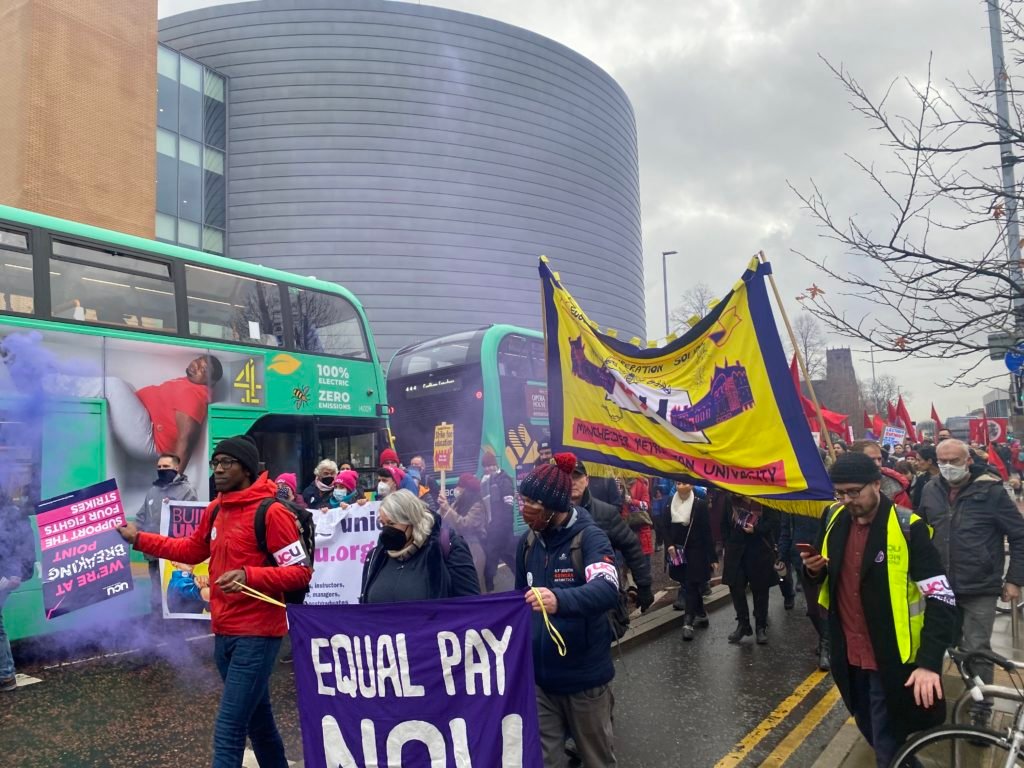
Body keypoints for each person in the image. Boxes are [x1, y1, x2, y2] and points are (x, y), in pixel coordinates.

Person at [117, 435, 312, 768]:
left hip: (258, 635)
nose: (218, 469)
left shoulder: (272, 513)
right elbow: (191, 550)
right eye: (215, 463)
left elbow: (300, 573)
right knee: (258, 721)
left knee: (229, 728)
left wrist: (248, 575)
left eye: (227, 463)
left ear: (246, 469)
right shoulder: (217, 509)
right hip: (223, 631)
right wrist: (139, 539)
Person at [804, 452, 958, 767]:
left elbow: (942, 597)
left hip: (889, 659)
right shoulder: (832, 517)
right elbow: (825, 574)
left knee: (887, 748)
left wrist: (929, 664)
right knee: (873, 732)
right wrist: (813, 570)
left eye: (854, 492)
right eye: (840, 493)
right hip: (848, 655)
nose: (847, 500)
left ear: (876, 484)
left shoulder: (908, 527)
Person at [515, 453, 620, 768]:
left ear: (553, 506)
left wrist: (559, 600)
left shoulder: (591, 538)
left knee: (597, 760)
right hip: (541, 683)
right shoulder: (527, 543)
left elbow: (607, 589)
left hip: (584, 681)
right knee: (544, 761)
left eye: (532, 502)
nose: (525, 508)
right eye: (524, 500)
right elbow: (518, 602)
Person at [916, 438, 1024, 727]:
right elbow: (921, 530)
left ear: (968, 461)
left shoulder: (991, 491)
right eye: (943, 461)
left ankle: (981, 707)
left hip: (980, 586)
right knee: (944, 645)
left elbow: (1019, 535)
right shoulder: (930, 489)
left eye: (954, 461)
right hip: (941, 588)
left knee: (977, 649)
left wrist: (1014, 579)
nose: (948, 466)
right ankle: (943, 699)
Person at [38, 353, 223, 470]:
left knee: (114, 385)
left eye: (203, 369)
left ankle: (50, 384)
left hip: (148, 438)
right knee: (125, 386)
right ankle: (61, 384)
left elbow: (186, 441)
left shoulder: (193, 396)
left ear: (211, 382)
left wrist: (174, 480)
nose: (196, 365)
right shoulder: (191, 384)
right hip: (146, 423)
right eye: (198, 361)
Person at [359, 489, 480, 603]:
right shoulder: (377, 556)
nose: (386, 530)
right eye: (383, 524)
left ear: (412, 520)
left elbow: (469, 606)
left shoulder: (447, 547)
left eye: (391, 523)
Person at [570, 459, 654, 613]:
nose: (572, 482)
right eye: (567, 477)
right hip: (567, 599)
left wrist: (644, 586)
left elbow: (631, 546)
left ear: (586, 480)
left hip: (603, 600)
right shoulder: (552, 516)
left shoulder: (605, 513)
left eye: (576, 477)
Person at [135, 452, 198, 618]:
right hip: (153, 554)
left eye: (166, 466)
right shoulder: (152, 491)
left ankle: (177, 625)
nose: (162, 470)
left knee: (174, 592)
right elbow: (141, 517)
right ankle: (157, 624)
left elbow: (190, 523)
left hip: (173, 555)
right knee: (156, 593)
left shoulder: (187, 491)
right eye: (159, 467)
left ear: (176, 468)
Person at [722, 494, 778, 645]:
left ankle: (761, 626)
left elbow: (773, 521)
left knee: (760, 590)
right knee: (736, 587)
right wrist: (726, 544)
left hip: (759, 551)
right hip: (736, 552)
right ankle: (743, 624)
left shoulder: (764, 497)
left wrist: (756, 529)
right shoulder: (729, 499)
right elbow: (724, 524)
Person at [662, 481, 715, 640]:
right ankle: (701, 613)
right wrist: (669, 545)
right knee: (686, 583)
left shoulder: (699, 504)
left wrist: (712, 556)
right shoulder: (670, 503)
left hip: (696, 551)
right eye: (678, 483)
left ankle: (688, 621)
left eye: (685, 483)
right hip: (677, 551)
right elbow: (664, 526)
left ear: (691, 485)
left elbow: (706, 531)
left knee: (691, 584)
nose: (681, 486)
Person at [779, 510, 831, 670]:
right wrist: (781, 556)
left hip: (826, 558)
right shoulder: (792, 504)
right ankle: (825, 639)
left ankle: (826, 646)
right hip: (802, 561)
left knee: (826, 606)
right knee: (813, 610)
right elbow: (786, 531)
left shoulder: (827, 506)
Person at [0, 492, 35, 692]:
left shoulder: (12, 515)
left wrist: (16, 574)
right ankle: (5, 674)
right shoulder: (14, 512)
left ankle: (5, 675)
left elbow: (22, 548)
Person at [438, 473, 487, 587]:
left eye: (459, 486)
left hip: (474, 548)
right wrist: (442, 507)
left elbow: (465, 525)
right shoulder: (459, 502)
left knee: (473, 583)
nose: (457, 489)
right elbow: (444, 518)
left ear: (466, 489)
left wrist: (447, 509)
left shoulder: (477, 506)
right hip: (459, 546)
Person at [481, 448, 516, 592]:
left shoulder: (504, 480)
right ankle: (490, 590)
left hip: (502, 530)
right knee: (501, 558)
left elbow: (508, 506)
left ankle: (525, 584)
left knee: (506, 558)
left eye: (490, 465)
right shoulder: (485, 482)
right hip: (493, 529)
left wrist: (504, 528)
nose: (488, 468)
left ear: (495, 464)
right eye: (486, 466)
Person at [908, 444, 939, 511]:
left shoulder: (948, 478)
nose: (916, 463)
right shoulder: (921, 479)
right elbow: (917, 504)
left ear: (929, 461)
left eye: (919, 460)